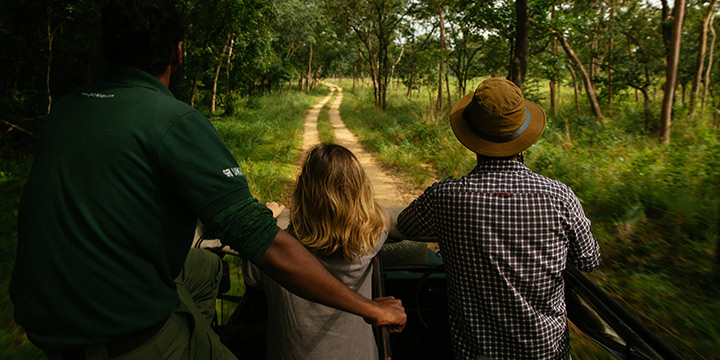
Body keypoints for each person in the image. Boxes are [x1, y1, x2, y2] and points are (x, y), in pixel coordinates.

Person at [9, 1, 405, 359]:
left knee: (205, 268)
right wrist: (370, 307)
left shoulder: (65, 110)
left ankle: (196, 326)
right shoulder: (174, 119)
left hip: (45, 318)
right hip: (119, 331)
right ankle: (183, 338)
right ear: (178, 51)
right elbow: (267, 249)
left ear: (105, 50)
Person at [396, 77, 601, 359]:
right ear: (523, 137)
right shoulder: (560, 197)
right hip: (546, 352)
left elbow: (406, 225)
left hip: (476, 353)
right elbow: (588, 260)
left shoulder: (445, 198)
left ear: (471, 137)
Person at [238, 143, 391, 360]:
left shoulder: (276, 251)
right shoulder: (371, 238)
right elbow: (383, 215)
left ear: (302, 193)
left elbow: (253, 279)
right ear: (360, 191)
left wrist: (267, 220)